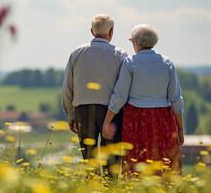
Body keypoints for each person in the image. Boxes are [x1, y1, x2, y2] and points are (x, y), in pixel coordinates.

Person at [102, 24, 184, 176]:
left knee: (136, 161)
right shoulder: (166, 63)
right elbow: (176, 99)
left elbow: (120, 96)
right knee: (163, 158)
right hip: (163, 117)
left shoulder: (130, 62)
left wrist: (107, 121)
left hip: (135, 118)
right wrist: (180, 128)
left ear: (135, 42)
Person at [61, 14, 127, 173]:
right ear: (111, 32)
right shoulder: (120, 54)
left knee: (89, 161)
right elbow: (124, 88)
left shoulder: (76, 53)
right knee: (111, 160)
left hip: (83, 111)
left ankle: (91, 192)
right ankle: (110, 192)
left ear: (92, 31)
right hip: (112, 113)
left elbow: (67, 88)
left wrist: (71, 114)